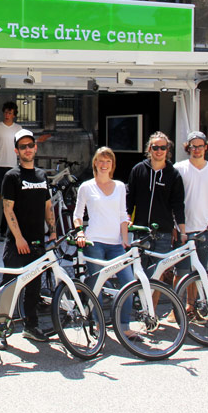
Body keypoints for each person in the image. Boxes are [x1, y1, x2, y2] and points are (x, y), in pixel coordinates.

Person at [0, 129, 56, 344]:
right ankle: (0, 329)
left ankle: (30, 327)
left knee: (33, 289)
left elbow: (48, 205)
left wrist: (52, 231)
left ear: (35, 147)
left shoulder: (42, 176)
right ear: (16, 150)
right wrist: (19, 238)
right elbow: (8, 210)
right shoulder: (11, 176)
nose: (27, 149)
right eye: (22, 146)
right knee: (9, 288)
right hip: (16, 243)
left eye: (30, 145)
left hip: (37, 242)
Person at [74, 147, 133, 327]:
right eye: (100, 160)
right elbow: (77, 215)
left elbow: (123, 215)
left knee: (129, 283)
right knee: (96, 285)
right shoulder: (86, 187)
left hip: (116, 243)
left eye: (108, 161)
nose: (104, 165)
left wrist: (125, 240)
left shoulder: (120, 187)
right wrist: (79, 232)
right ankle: (99, 324)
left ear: (112, 165)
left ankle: (124, 326)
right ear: (95, 164)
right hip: (94, 242)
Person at [0, 101, 50, 241]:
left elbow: (27, 143)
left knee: (9, 200)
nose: (7, 115)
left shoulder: (18, 129)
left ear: (14, 114)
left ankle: (4, 229)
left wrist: (38, 141)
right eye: (6, 112)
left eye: (10, 113)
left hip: (12, 167)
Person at [174, 131, 208, 298]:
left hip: (204, 229)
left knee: (199, 272)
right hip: (183, 228)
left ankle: (191, 305)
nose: (197, 150)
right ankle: (177, 310)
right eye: (193, 146)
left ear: (206, 147)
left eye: (200, 146)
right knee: (181, 272)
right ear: (188, 148)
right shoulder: (179, 168)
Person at [127, 132, 185, 276]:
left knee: (158, 273)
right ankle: (140, 299)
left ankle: (154, 300)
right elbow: (130, 198)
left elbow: (178, 205)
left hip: (163, 232)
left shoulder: (174, 175)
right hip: (141, 230)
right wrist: (128, 219)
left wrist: (182, 231)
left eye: (163, 148)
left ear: (167, 150)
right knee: (139, 272)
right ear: (149, 149)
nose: (159, 151)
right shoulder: (138, 170)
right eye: (155, 147)